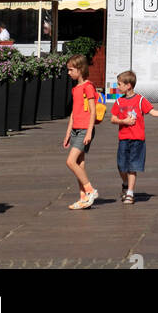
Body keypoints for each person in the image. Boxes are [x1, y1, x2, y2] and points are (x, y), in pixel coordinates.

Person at [111, 69, 158, 203]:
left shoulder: (140, 100)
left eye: (119, 84)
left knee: (133, 166)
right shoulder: (119, 102)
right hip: (123, 139)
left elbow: (152, 111)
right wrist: (123, 121)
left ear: (128, 85)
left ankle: (130, 192)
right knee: (121, 165)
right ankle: (125, 183)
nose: (118, 87)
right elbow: (113, 118)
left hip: (137, 139)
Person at [63, 53, 99, 209]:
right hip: (76, 129)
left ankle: (90, 190)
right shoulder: (76, 88)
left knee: (70, 161)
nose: (69, 73)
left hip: (85, 129)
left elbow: (93, 111)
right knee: (80, 164)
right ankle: (83, 197)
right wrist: (67, 134)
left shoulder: (88, 87)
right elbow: (73, 112)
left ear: (80, 69)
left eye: (71, 70)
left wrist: (89, 132)